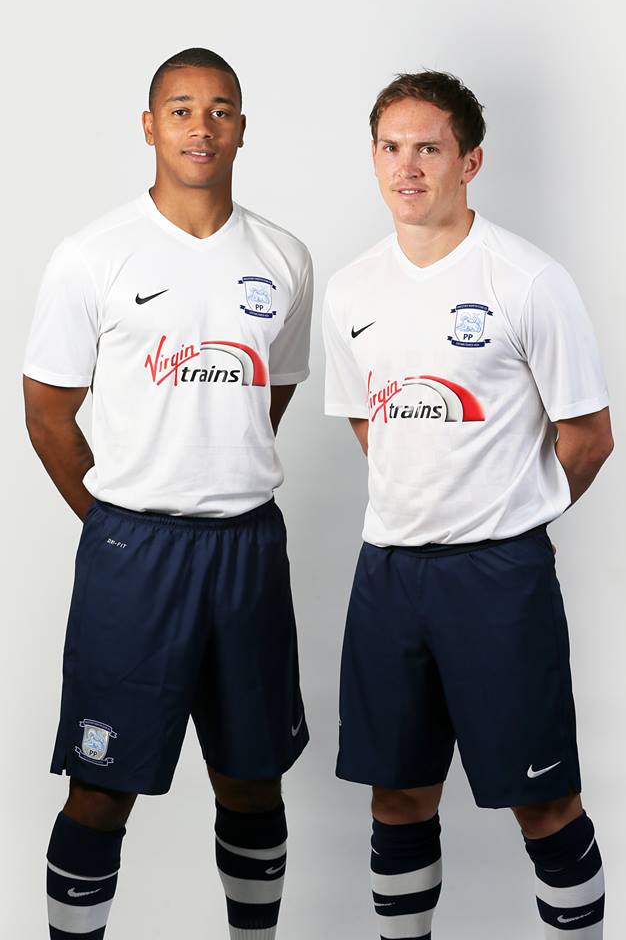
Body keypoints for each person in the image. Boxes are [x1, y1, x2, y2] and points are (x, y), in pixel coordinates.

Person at [23, 47, 313, 940]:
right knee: (101, 786)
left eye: (221, 109)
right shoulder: (93, 255)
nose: (201, 126)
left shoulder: (284, 258)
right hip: (135, 554)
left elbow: (270, 395)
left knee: (252, 779)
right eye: (182, 109)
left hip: (247, 549)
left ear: (242, 129)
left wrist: (213, 466)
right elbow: (47, 412)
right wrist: (117, 519)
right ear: (149, 126)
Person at [322, 70, 613, 939]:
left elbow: (589, 434)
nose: (407, 167)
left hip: (497, 579)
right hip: (389, 576)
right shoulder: (351, 290)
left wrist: (517, 516)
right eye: (391, 148)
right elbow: (371, 423)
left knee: (544, 802)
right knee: (398, 795)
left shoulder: (527, 279)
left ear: (470, 161)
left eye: (429, 148)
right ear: (373, 157)